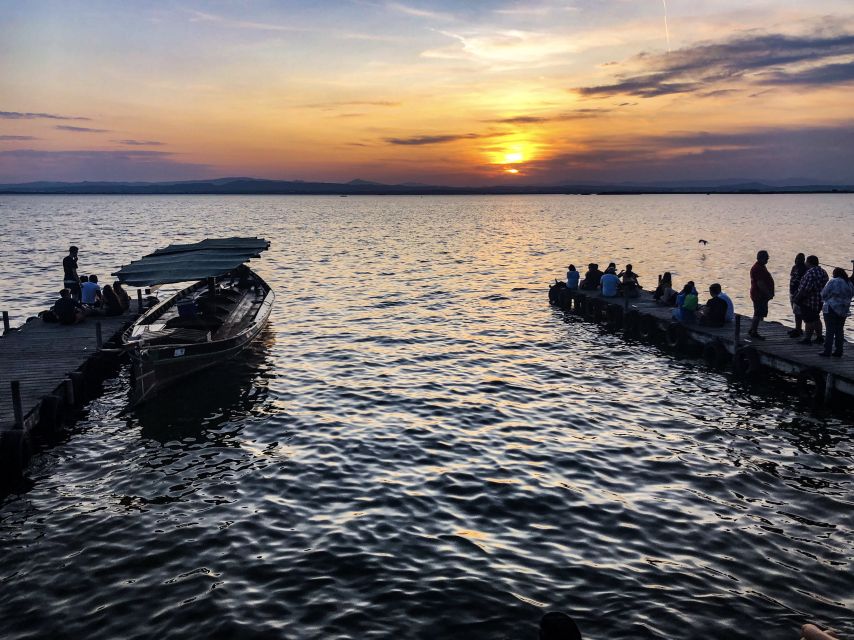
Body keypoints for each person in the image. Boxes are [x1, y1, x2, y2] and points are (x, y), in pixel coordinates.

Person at [819, 267, 853, 357]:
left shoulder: (833, 281)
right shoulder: (849, 284)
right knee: (839, 330)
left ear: (835, 274)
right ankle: (839, 351)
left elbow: (823, 294)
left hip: (831, 308)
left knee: (829, 330)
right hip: (843, 310)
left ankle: (827, 351)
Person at [795, 255, 828, 345]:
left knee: (808, 320)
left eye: (806, 261)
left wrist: (797, 298)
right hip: (820, 301)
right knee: (816, 318)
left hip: (809, 301)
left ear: (809, 262)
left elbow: (805, 288)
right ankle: (819, 337)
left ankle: (807, 339)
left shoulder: (810, 272)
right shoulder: (823, 272)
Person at [748, 250, 774, 340]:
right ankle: (754, 332)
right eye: (766, 258)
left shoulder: (760, 266)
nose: (767, 259)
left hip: (759, 294)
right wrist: (768, 294)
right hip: (759, 295)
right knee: (758, 313)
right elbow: (760, 283)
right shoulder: (758, 268)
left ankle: (752, 329)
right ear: (761, 258)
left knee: (758, 313)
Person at [788, 253, 807, 337]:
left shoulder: (805, 269)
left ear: (803, 260)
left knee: (798, 312)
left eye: (799, 259)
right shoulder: (794, 267)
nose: (797, 260)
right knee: (795, 311)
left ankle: (799, 329)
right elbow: (792, 276)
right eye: (796, 258)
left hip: (798, 293)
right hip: (792, 292)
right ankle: (797, 328)